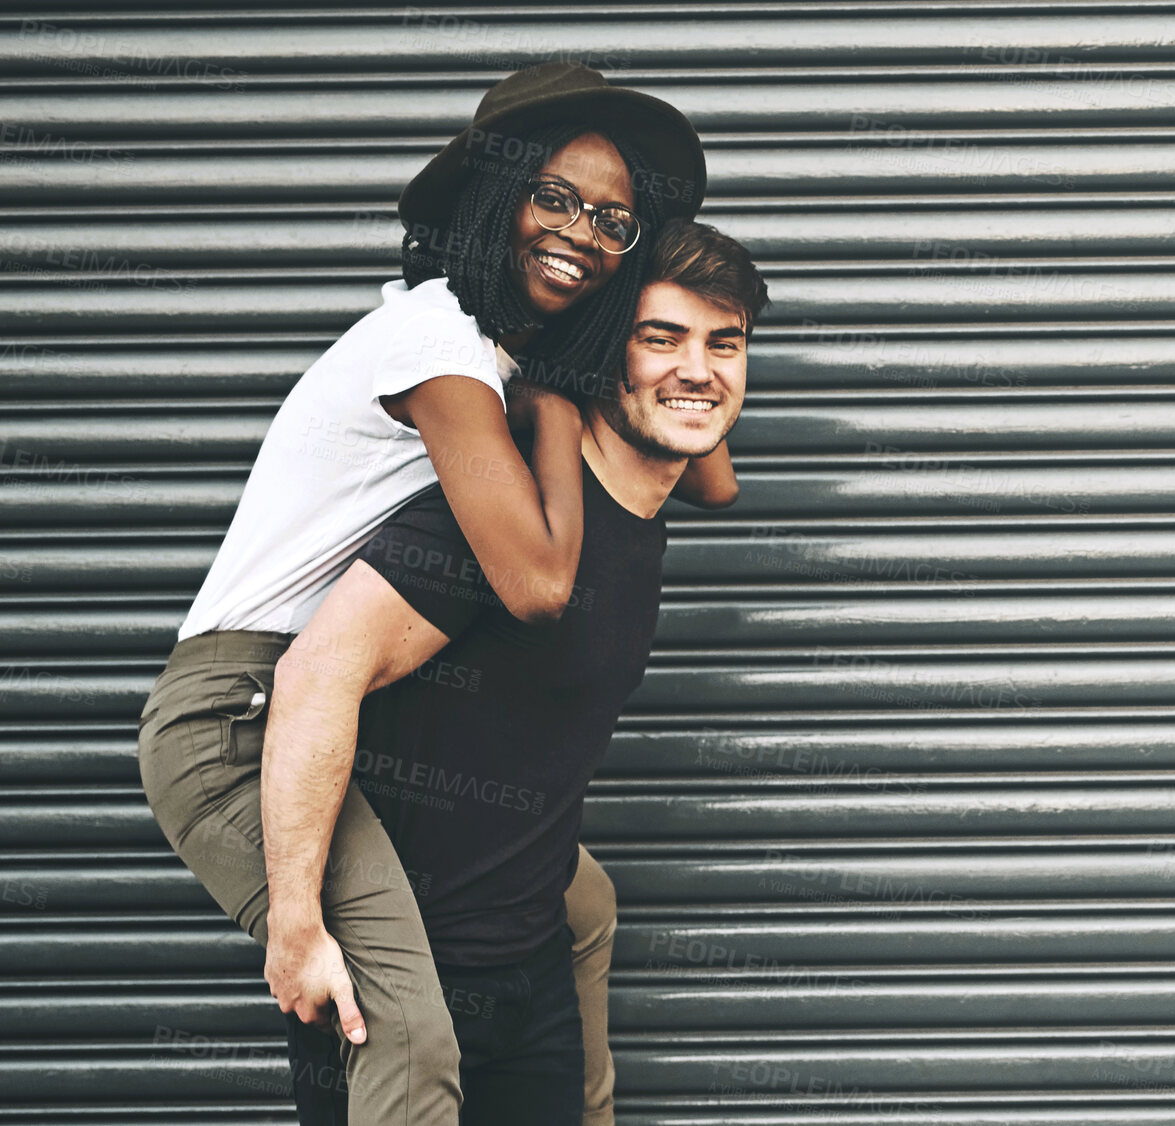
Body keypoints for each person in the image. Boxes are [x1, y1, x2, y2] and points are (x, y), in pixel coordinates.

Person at [137, 61, 731, 1125]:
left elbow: (713, 474)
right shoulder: (440, 346)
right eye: (554, 197)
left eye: (613, 219)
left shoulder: (508, 347)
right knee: (404, 1027)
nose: (583, 231)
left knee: (577, 899)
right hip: (233, 721)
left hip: (311, 705)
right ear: (488, 198)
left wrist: (636, 334)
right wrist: (295, 920)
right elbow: (537, 582)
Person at [278, 217, 767, 1124]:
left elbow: (709, 455)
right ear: (600, 353)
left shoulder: (644, 499)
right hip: (403, 984)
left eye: (723, 345)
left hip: (530, 976)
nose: (697, 369)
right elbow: (315, 678)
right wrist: (298, 923)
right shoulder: (498, 520)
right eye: (659, 338)